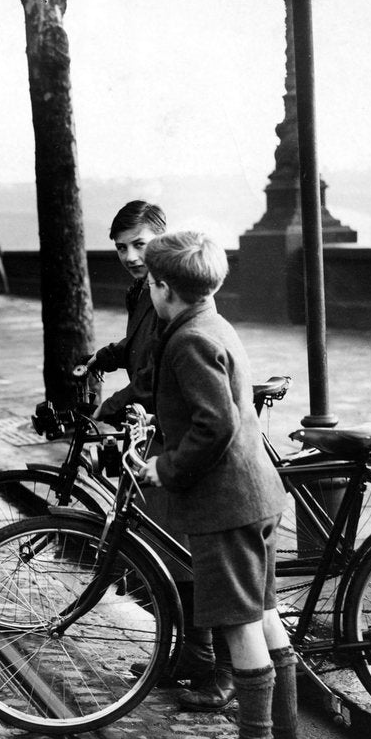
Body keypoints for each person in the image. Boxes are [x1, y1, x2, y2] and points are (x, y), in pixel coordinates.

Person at [136, 230, 297, 739]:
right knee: (266, 615)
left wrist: (166, 468)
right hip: (257, 495)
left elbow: (215, 425)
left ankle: (257, 738)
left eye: (151, 285)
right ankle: (285, 734)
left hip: (227, 504)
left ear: (164, 288)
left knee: (240, 627)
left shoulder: (189, 340)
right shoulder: (214, 322)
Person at [87, 201, 234, 712]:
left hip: (176, 432)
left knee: (193, 555)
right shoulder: (146, 290)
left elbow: (156, 373)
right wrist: (107, 357)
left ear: (163, 240)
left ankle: (217, 665)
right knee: (171, 552)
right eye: (121, 247)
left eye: (139, 244)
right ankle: (193, 654)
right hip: (162, 428)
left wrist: (114, 402)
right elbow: (139, 347)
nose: (130, 256)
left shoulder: (171, 295)